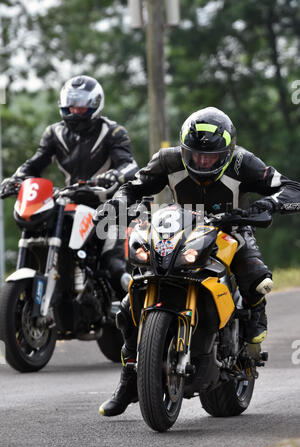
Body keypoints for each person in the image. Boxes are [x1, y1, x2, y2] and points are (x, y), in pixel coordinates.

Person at [93, 106, 300, 417]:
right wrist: (117, 205)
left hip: (231, 227)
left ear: (227, 152)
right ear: (183, 149)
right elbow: (132, 187)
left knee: (257, 277)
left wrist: (266, 204)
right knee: (126, 308)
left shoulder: (244, 162)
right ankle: (129, 378)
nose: (203, 162)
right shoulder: (167, 159)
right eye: (196, 155)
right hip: (178, 229)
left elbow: (293, 188)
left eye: (211, 157)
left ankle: (254, 317)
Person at [1, 75, 139, 299]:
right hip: (71, 203)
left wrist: (114, 175)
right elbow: (35, 164)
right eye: (71, 105)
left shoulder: (113, 132)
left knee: (113, 265)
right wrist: (17, 178)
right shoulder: (54, 133)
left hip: (111, 205)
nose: (75, 110)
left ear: (94, 105)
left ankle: (128, 306)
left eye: (81, 106)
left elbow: (129, 165)